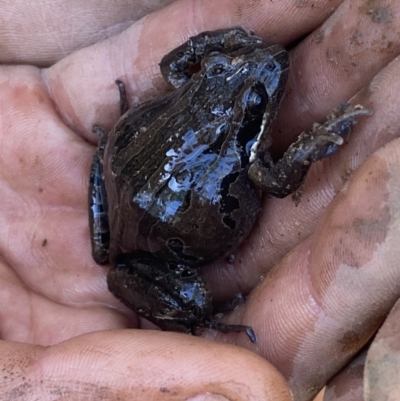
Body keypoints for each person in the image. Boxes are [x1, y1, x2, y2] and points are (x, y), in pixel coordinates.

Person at [1, 1, 399, 400]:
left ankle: (109, 148)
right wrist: (316, 141)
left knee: (113, 225)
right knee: (197, 299)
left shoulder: (190, 87)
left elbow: (175, 66)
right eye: (220, 70)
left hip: (125, 181)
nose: (262, 61)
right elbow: (277, 180)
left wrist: (223, 46)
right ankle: (204, 316)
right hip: (161, 253)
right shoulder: (252, 157)